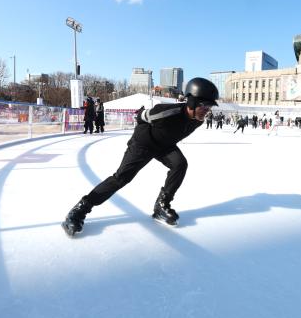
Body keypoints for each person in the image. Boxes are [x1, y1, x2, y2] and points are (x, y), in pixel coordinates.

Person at [61, 78, 219, 236]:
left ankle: (161, 206)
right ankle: (80, 209)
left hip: (164, 145)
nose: (207, 110)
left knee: (180, 164)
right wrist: (143, 132)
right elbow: (141, 117)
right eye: (204, 105)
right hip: (143, 144)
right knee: (121, 178)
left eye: (209, 106)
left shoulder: (197, 121)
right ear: (191, 101)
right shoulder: (166, 112)